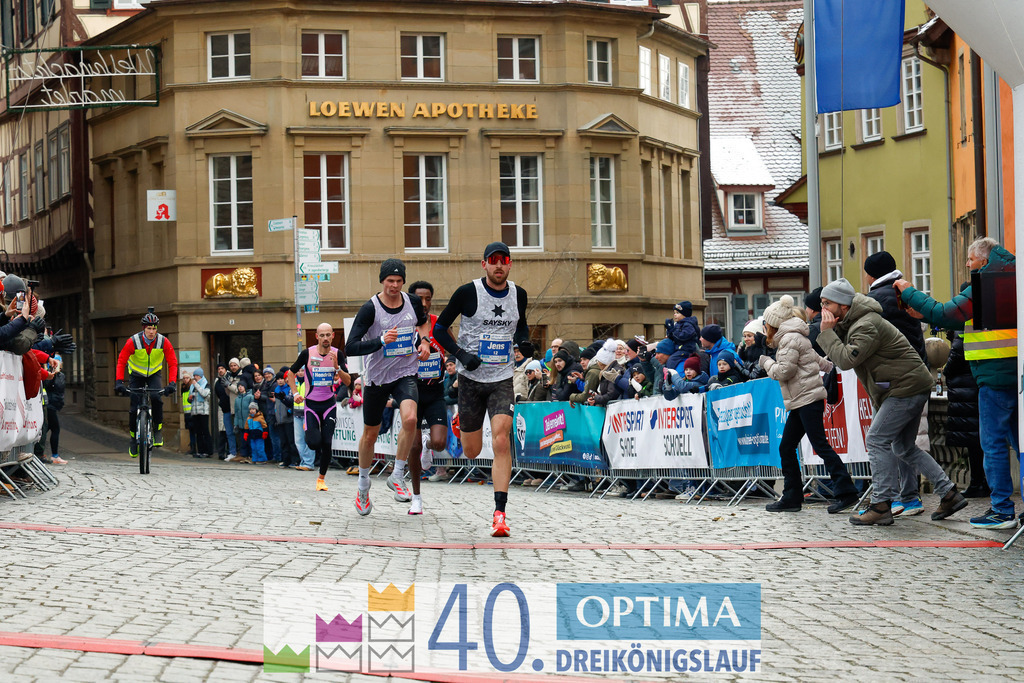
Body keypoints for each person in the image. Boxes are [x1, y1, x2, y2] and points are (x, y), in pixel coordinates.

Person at [815, 278, 967, 526]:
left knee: (876, 439)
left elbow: (844, 360)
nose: (823, 309)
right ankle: (949, 493)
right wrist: (828, 332)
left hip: (905, 387)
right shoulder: (854, 320)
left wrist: (826, 332)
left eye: (827, 303)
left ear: (843, 306)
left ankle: (881, 504)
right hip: (903, 385)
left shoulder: (866, 324)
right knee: (904, 447)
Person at [894, 237, 1017, 529]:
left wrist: (908, 291)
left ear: (984, 262)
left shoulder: (984, 285)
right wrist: (924, 313)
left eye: (971, 259)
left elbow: (944, 313)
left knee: (993, 444)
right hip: (1014, 375)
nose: (967, 264)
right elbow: (963, 321)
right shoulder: (1012, 281)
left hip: (994, 376)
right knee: (1018, 444)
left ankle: (1002, 510)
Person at [434, 242, 531, 536]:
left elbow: (521, 326)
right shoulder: (467, 293)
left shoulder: (519, 294)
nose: (498, 265)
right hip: (470, 380)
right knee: (472, 451)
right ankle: (461, 422)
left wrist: (524, 343)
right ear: (484, 264)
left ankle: (499, 514)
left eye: (504, 260)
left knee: (502, 440)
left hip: (502, 378)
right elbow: (439, 329)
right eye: (493, 260)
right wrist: (461, 356)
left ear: (510, 264)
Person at [757, 295, 860, 514]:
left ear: (773, 324)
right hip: (803, 399)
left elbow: (784, 371)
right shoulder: (796, 336)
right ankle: (792, 496)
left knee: (819, 445)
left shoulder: (788, 339)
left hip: (806, 399)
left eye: (766, 323)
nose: (765, 327)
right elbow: (816, 359)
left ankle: (846, 491)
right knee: (787, 446)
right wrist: (831, 366)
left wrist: (766, 362)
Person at [346, 259, 431, 516]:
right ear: (382, 281)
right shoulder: (370, 309)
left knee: (411, 419)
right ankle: (363, 486)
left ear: (403, 282)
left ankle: (397, 474)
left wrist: (424, 341)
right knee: (370, 435)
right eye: (389, 281)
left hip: (405, 371)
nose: (394, 286)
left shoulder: (412, 302)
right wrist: (381, 340)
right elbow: (351, 346)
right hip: (377, 377)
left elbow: (424, 322)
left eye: (398, 281)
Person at [863, 250, 928, 517]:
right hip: (918, 371)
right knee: (905, 442)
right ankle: (912, 496)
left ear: (870, 274)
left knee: (883, 440)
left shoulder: (874, 301)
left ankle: (891, 498)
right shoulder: (906, 292)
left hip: (892, 379)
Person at [405, 280, 450, 515]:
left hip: (434, 393)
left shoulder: (436, 324)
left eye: (428, 298)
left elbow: (453, 348)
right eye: (419, 298)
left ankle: (428, 445)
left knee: (440, 443)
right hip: (410, 392)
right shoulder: (403, 323)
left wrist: (447, 360)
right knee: (411, 446)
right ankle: (417, 497)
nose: (424, 303)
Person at [288, 323, 351, 489]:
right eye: (321, 335)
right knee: (314, 443)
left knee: (327, 442)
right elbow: (291, 372)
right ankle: (310, 430)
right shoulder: (307, 353)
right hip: (311, 405)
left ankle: (321, 479)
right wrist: (295, 393)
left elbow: (348, 381)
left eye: (328, 335)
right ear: (317, 336)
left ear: (332, 336)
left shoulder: (338, 354)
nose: (325, 338)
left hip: (329, 404)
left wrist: (337, 367)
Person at [114, 307, 178, 457]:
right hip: (136, 375)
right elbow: (121, 362)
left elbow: (172, 363)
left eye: (154, 328)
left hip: (154, 374)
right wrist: (119, 382)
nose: (151, 331)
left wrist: (172, 383)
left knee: (156, 398)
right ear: (144, 329)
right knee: (133, 407)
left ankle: (157, 430)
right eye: (149, 328)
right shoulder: (133, 341)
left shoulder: (163, 341)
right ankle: (132, 438)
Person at [40, 355, 67, 464]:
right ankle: (54, 455)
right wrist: (52, 374)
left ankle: (39, 451)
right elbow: (48, 385)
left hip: (55, 405)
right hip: (49, 405)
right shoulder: (49, 375)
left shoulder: (61, 375)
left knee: (46, 429)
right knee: (55, 429)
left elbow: (60, 389)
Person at [273, 371, 300, 469]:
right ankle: (286, 460)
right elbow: (276, 405)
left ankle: (295, 460)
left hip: (288, 419)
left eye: (282, 379)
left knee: (291, 440)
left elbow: (289, 402)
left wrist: (289, 411)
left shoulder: (289, 389)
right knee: (283, 441)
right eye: (278, 379)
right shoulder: (276, 389)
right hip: (279, 419)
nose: (280, 381)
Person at [188, 368, 213, 458]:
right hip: (195, 412)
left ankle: (208, 451)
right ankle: (200, 450)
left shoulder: (206, 384)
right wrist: (189, 398)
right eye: (194, 376)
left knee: (205, 431)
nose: (195, 378)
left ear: (200, 376)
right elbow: (190, 397)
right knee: (198, 432)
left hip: (203, 412)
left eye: (196, 376)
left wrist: (196, 385)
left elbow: (205, 394)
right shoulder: (192, 386)